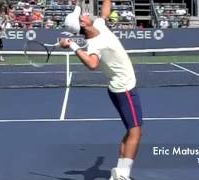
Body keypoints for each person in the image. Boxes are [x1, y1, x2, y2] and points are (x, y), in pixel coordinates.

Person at [60, 0, 142, 179]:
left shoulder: (98, 23)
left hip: (121, 88)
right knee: (136, 131)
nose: (86, 14)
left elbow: (105, 9)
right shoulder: (94, 44)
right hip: (124, 89)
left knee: (130, 130)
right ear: (82, 23)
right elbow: (92, 64)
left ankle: (119, 171)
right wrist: (73, 45)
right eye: (82, 15)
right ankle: (123, 174)